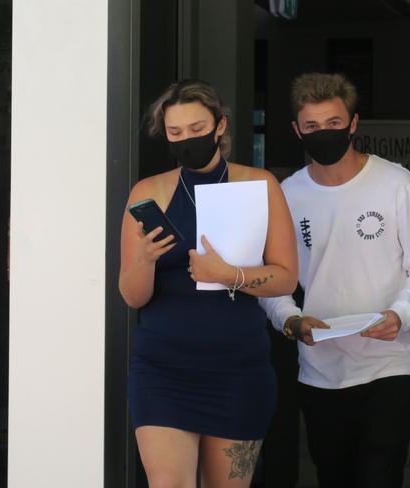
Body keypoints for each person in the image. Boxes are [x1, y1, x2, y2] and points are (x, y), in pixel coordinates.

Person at [259, 73, 410, 488]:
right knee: (333, 477)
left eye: (333, 124)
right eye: (312, 126)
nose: (323, 133)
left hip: (389, 362)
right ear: (297, 130)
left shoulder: (396, 184)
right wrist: (290, 321)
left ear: (353, 124)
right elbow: (273, 279)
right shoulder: (286, 194)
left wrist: (401, 314)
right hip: (320, 367)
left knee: (381, 476)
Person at [119, 79, 298, 488]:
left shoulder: (259, 185)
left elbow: (286, 276)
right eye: (175, 133)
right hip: (163, 370)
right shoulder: (149, 192)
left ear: (220, 127)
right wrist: (145, 259)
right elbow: (132, 295)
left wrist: (227, 275)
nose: (186, 140)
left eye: (197, 129)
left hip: (237, 369)